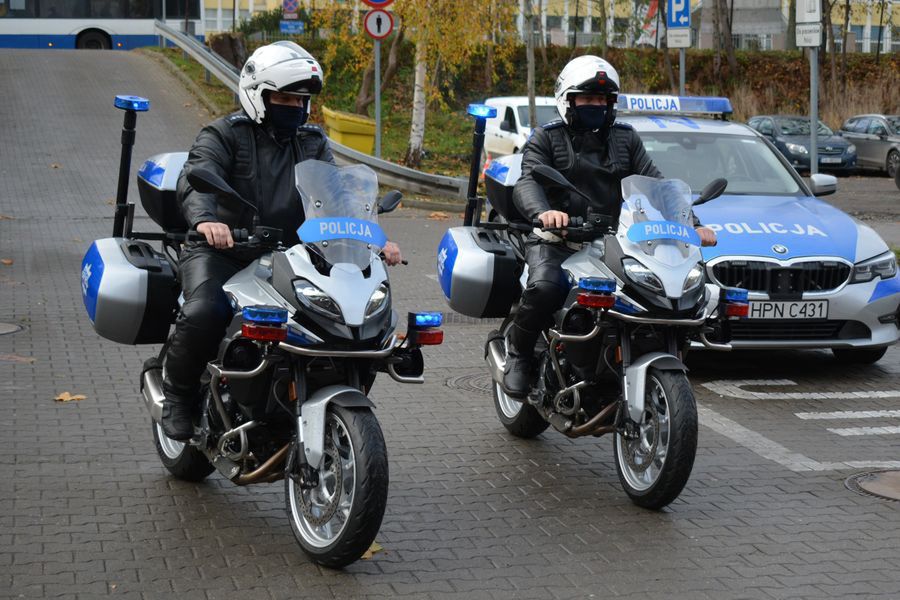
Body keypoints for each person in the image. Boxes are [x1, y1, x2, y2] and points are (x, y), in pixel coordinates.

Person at [162, 41, 402, 440]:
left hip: (290, 255)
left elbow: (338, 196)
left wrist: (375, 238)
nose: (294, 106)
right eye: (284, 97)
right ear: (258, 94)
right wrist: (206, 220)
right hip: (225, 250)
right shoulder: (224, 134)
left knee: (344, 320)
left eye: (301, 99)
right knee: (205, 311)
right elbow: (196, 176)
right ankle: (177, 395)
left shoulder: (312, 141)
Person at [503, 55, 716, 398]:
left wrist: (692, 223)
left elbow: (657, 185)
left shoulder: (625, 139)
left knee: (646, 294)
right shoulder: (547, 137)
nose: (595, 106)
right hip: (558, 240)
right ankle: (520, 355)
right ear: (567, 100)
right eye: (587, 99)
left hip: (613, 242)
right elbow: (527, 181)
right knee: (545, 288)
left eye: (602, 100)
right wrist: (544, 212)